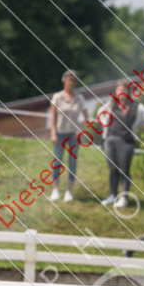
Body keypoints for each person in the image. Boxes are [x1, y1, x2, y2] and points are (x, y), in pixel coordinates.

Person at [49, 69, 88, 202]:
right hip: (60, 133)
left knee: (72, 162)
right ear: (64, 81)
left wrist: (81, 130)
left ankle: (69, 191)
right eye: (69, 79)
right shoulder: (57, 97)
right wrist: (53, 133)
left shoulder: (80, 98)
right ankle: (55, 189)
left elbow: (87, 118)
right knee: (57, 161)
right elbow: (53, 116)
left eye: (73, 80)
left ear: (76, 83)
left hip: (73, 135)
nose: (71, 82)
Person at [99, 81, 138, 208]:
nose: (121, 92)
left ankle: (124, 198)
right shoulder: (111, 104)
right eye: (119, 89)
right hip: (110, 141)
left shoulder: (134, 106)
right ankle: (112, 195)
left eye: (124, 89)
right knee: (112, 169)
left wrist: (136, 127)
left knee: (124, 170)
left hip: (126, 143)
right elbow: (100, 112)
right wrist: (105, 123)